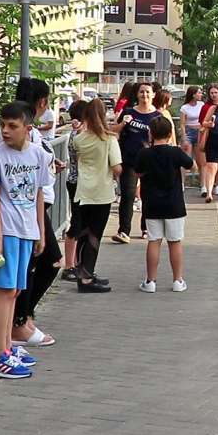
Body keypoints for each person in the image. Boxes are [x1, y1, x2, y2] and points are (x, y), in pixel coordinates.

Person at [0, 101, 50, 379]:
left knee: (16, 290)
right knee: (5, 290)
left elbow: (38, 194)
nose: (5, 131)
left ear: (28, 128)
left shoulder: (38, 155)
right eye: (2, 125)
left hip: (27, 230)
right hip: (8, 231)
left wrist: (41, 231)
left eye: (12, 126)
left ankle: (8, 347)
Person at [11, 78, 63, 349]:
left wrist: (52, 163)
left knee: (39, 262)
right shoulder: (25, 131)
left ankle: (24, 317)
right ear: (42, 102)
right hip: (30, 205)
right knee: (45, 261)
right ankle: (19, 322)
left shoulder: (32, 132)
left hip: (37, 202)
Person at [136, 117, 193, 293]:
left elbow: (137, 172)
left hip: (152, 204)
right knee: (175, 242)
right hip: (174, 204)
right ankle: (177, 280)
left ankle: (151, 281)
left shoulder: (144, 153)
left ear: (150, 133)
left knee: (154, 241)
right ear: (170, 134)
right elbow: (190, 165)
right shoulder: (175, 152)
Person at [72, 98, 122, 293]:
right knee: (95, 236)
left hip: (82, 191)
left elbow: (77, 159)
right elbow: (117, 168)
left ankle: (83, 272)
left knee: (83, 234)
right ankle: (86, 278)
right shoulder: (109, 139)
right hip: (102, 193)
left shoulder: (79, 139)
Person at [112, 82, 160, 243]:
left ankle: (146, 227)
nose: (144, 95)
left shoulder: (157, 116)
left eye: (147, 92)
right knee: (128, 194)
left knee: (148, 195)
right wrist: (123, 123)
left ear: (153, 95)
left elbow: (163, 139)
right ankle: (123, 231)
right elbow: (113, 131)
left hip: (150, 161)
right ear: (137, 94)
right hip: (129, 160)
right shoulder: (128, 111)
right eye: (141, 92)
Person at [60, 99, 88, 283]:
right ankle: (69, 264)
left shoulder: (75, 133)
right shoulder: (79, 136)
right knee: (77, 224)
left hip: (76, 181)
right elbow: (81, 159)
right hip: (78, 182)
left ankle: (76, 263)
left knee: (80, 223)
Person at [197, 84, 218, 197]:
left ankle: (217, 185)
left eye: (216, 92)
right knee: (205, 163)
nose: (214, 95)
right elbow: (202, 123)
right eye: (212, 93)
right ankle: (204, 186)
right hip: (207, 136)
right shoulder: (206, 107)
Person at [180, 86, 204, 187]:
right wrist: (184, 137)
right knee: (186, 159)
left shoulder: (202, 105)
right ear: (193, 94)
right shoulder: (185, 107)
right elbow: (182, 123)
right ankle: (181, 183)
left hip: (199, 131)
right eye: (198, 93)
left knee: (201, 160)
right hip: (189, 132)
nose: (200, 94)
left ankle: (203, 184)